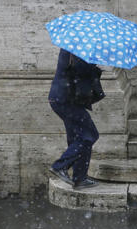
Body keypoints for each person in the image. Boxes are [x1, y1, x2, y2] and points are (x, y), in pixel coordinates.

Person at [48, 48, 105, 190]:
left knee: (78, 137)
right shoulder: (78, 49)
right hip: (66, 100)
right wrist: (94, 65)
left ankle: (80, 178)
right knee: (89, 135)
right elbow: (82, 71)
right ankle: (60, 166)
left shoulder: (73, 46)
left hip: (63, 98)